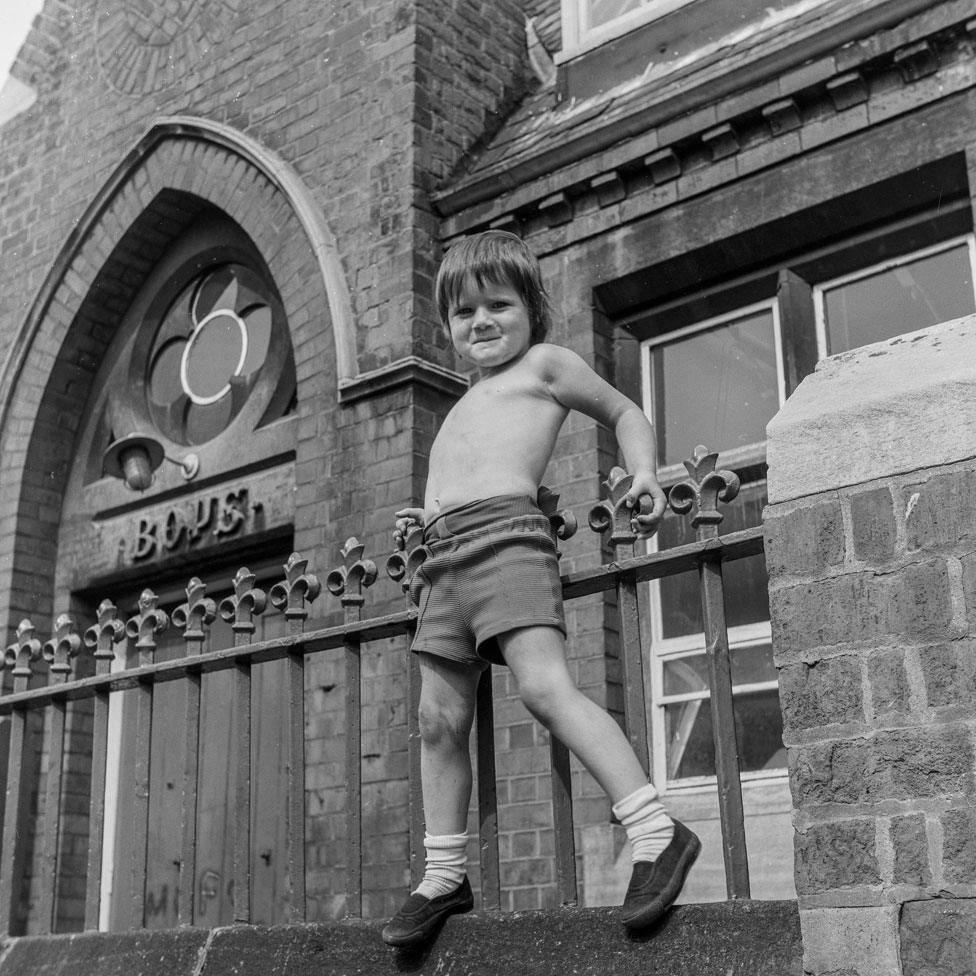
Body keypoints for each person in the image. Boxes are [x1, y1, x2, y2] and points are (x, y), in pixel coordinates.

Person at [381, 230, 700, 949]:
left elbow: (624, 410)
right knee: (437, 719)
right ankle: (444, 874)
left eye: (498, 304)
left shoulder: (546, 365)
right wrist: (424, 515)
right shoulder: (463, 399)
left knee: (544, 688)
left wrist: (643, 471)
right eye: (464, 313)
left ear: (532, 309)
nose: (482, 321)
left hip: (507, 543)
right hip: (442, 560)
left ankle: (655, 830)